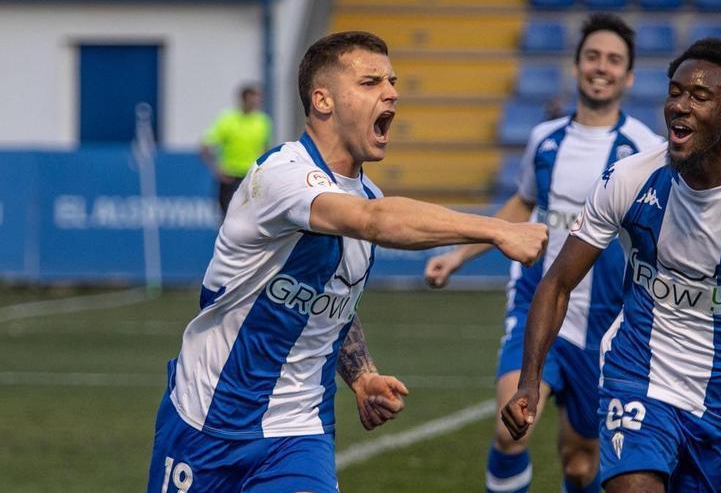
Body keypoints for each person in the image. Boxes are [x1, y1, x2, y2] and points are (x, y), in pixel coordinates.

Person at [147, 31, 548, 493]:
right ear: (323, 100)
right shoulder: (281, 176)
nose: (392, 92)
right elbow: (375, 221)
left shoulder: (367, 195)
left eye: (393, 81)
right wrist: (498, 229)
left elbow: (333, 300)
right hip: (205, 423)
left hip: (298, 434)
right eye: (371, 81)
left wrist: (362, 375)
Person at [501, 38, 721, 493]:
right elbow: (558, 282)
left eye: (699, 97)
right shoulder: (628, 178)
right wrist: (530, 380)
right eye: (675, 91)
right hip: (637, 377)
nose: (680, 106)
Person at [425, 14, 664, 493]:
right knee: (512, 428)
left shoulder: (645, 150)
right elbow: (522, 203)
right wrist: (458, 255)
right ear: (576, 67)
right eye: (592, 56)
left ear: (629, 76)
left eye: (614, 60)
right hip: (537, 304)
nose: (602, 67)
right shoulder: (545, 139)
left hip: (605, 324)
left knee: (581, 463)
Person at [200, 84, 272, 217]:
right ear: (243, 99)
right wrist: (217, 169)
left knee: (253, 221)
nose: (255, 103)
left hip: (252, 177)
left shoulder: (263, 121)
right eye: (252, 99)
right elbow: (205, 147)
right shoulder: (228, 120)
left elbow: (265, 148)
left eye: (257, 99)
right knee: (229, 219)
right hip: (231, 178)